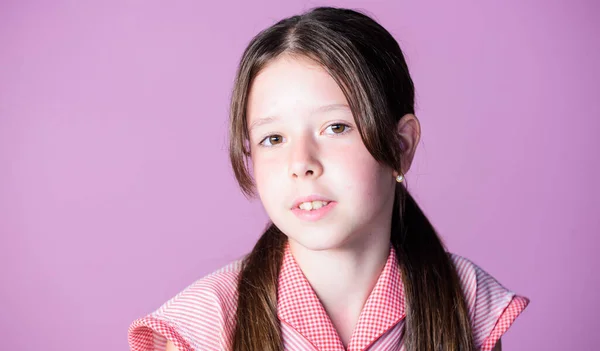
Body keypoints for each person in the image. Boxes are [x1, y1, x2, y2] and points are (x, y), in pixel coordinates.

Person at [128, 6, 529, 351]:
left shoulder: (467, 298)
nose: (301, 163)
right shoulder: (208, 322)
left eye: (336, 128)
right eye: (273, 138)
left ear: (401, 145)